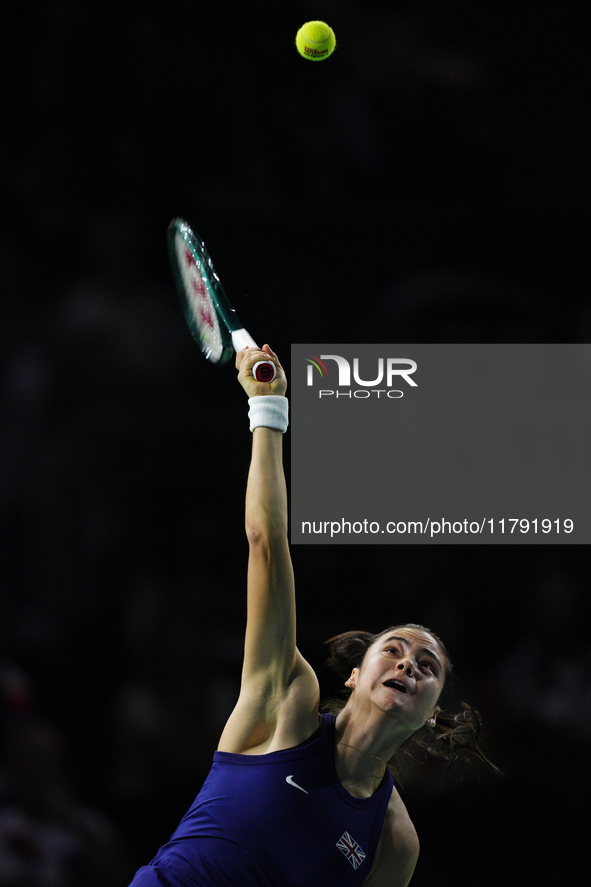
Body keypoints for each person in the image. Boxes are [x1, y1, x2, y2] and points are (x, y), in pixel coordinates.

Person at [129, 345, 494, 887]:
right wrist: (268, 413)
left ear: (432, 713)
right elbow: (266, 544)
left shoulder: (394, 842)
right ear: (353, 675)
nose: (409, 664)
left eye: (428, 666)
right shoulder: (286, 706)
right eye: (393, 649)